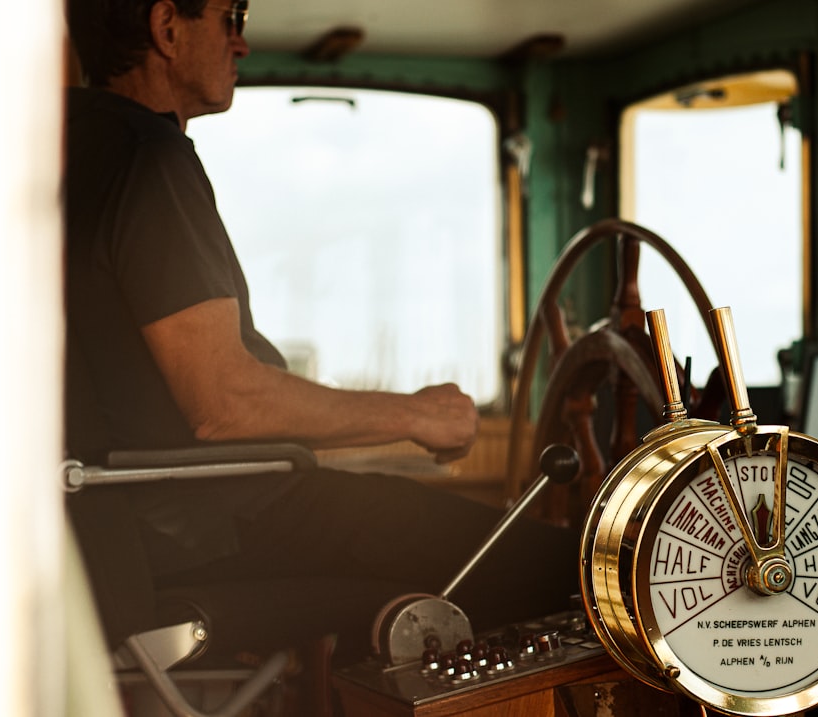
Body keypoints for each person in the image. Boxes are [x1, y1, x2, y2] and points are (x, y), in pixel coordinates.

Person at [63, 0, 578, 666]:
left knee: (404, 565)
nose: (241, 43)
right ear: (166, 28)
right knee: (566, 572)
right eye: (231, 17)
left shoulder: (64, 155)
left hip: (120, 537)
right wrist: (416, 414)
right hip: (215, 524)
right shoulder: (148, 156)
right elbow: (225, 406)